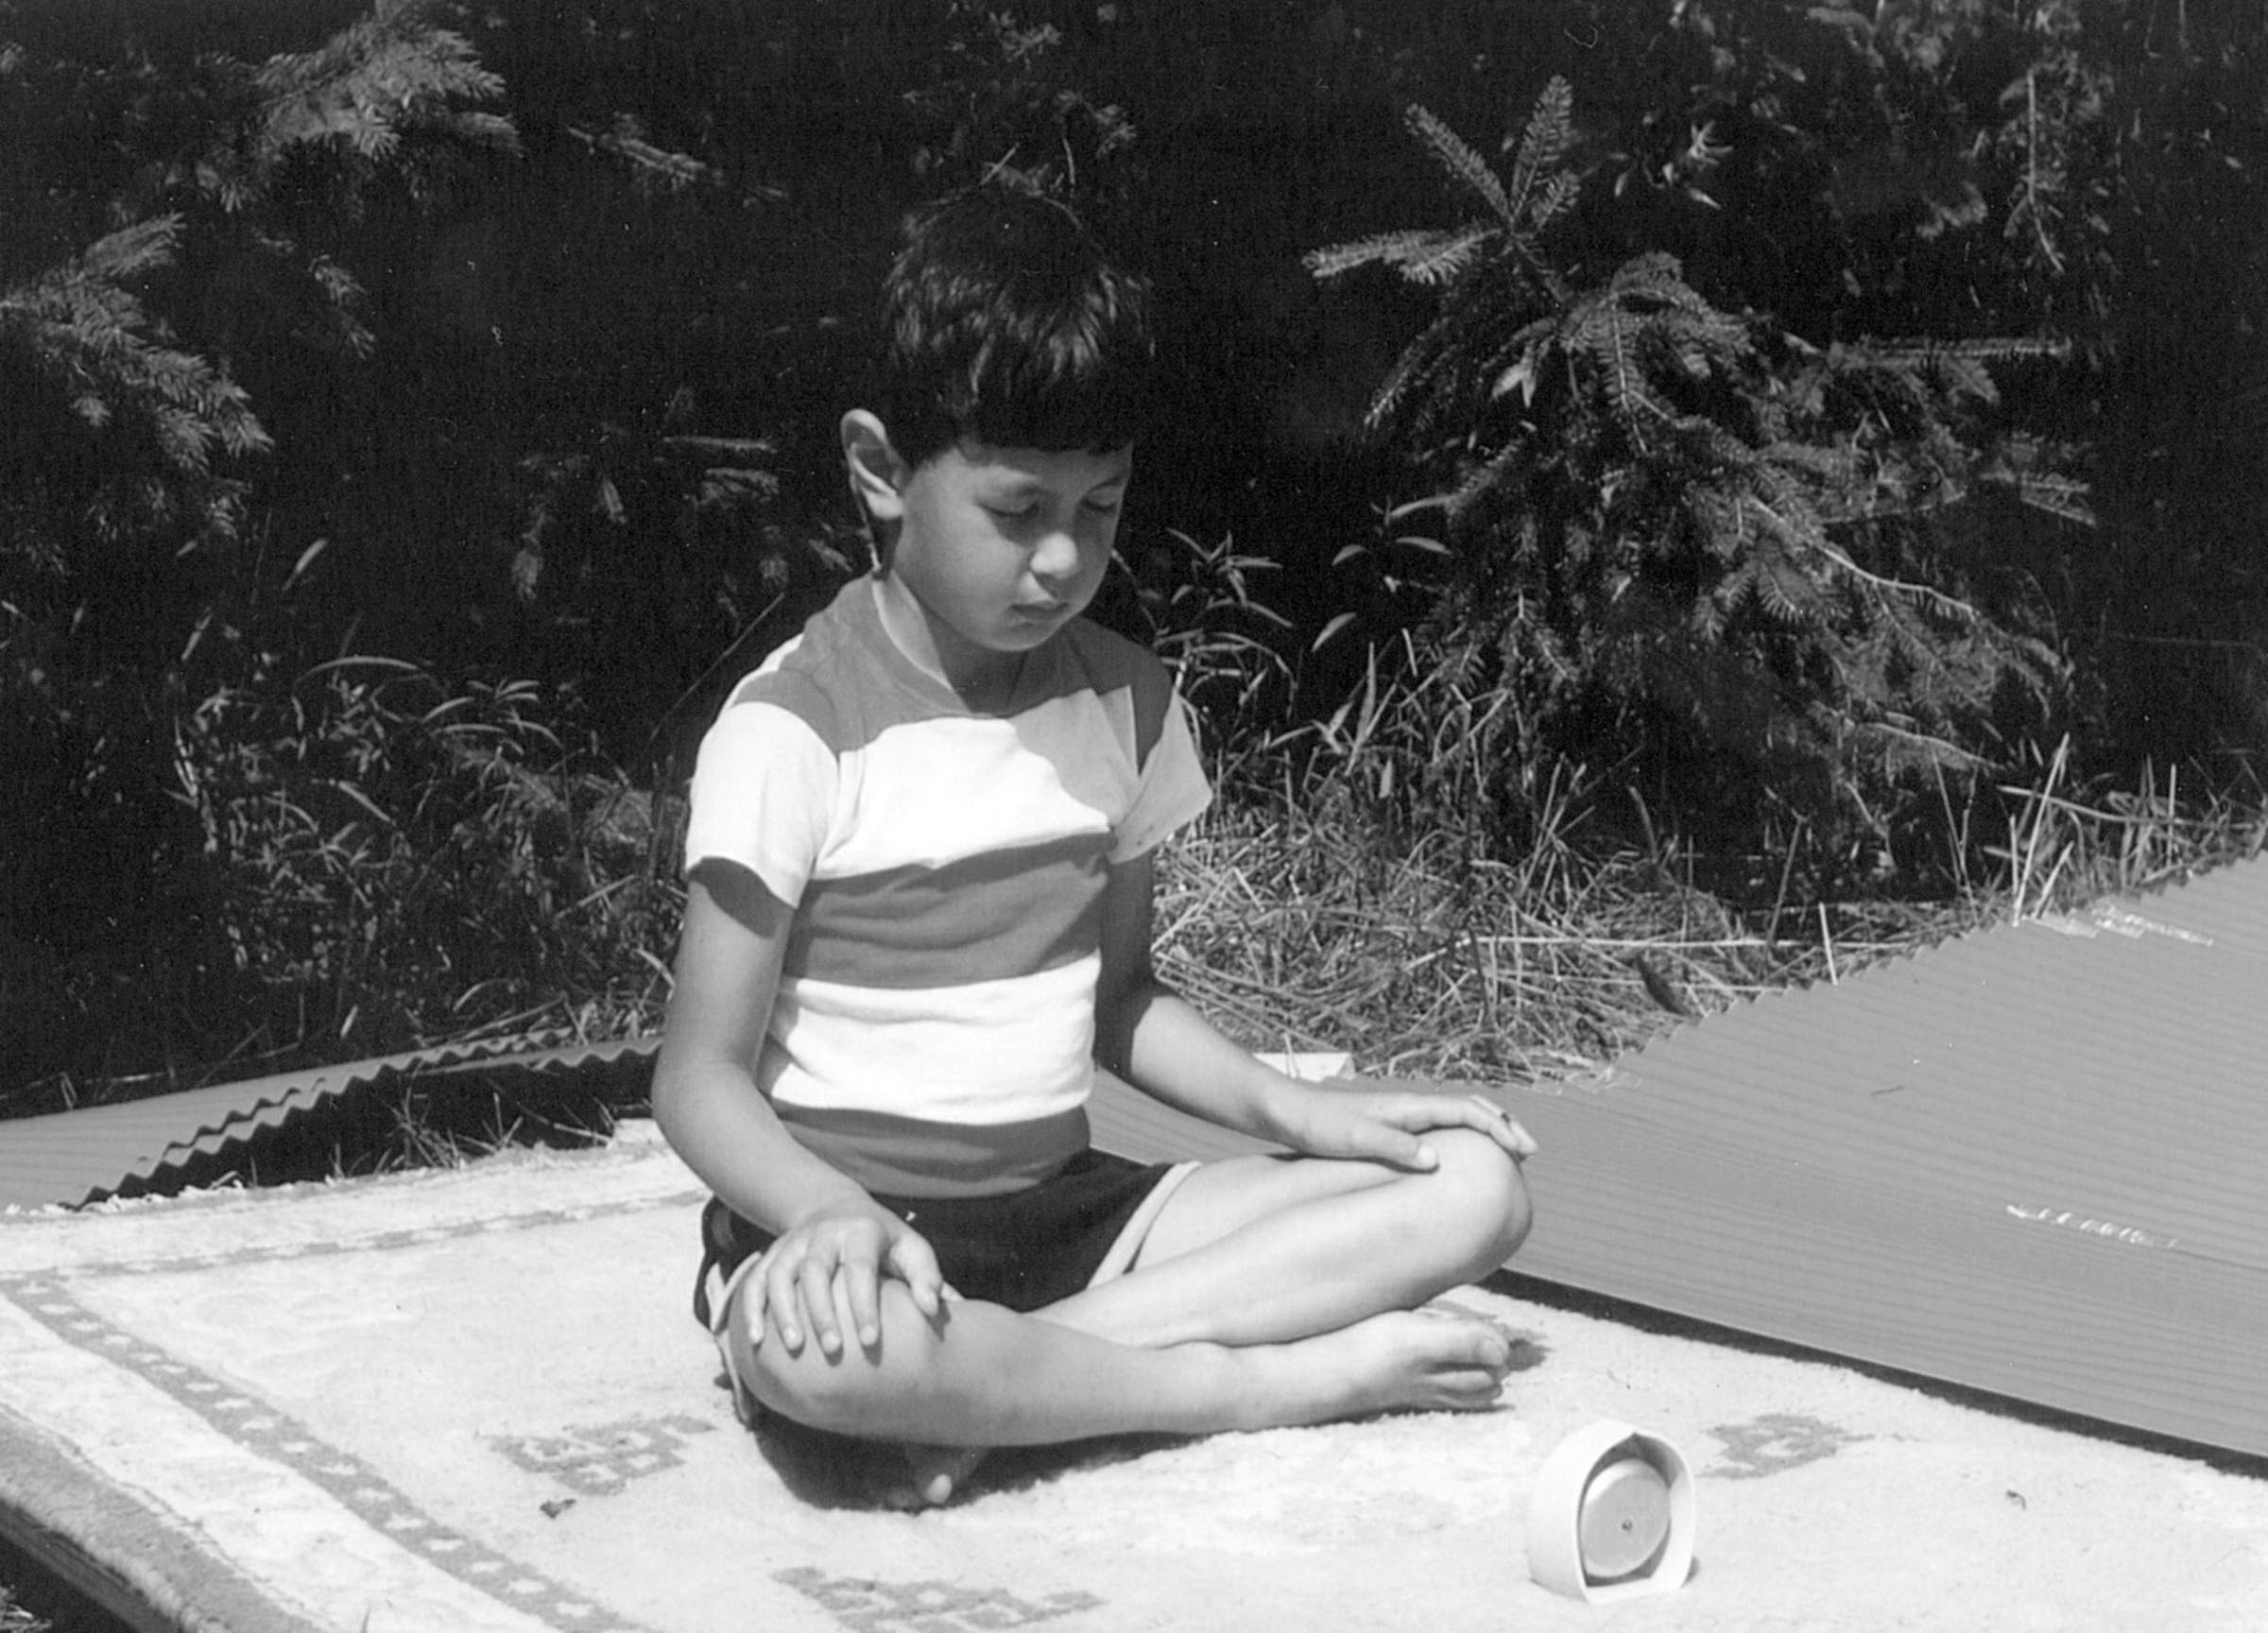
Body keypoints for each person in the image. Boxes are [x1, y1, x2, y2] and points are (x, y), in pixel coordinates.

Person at [652, 183, 1536, 1509]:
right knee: (823, 1360)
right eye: (1018, 511)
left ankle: (1017, 1385)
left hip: (1073, 1222)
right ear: (881, 471)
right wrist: (828, 1214)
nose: (1064, 558)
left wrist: (1301, 1112)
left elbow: (1119, 998)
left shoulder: (1127, 703)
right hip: (850, 1236)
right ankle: (1256, 1386)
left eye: (1102, 506)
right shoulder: (793, 728)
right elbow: (697, 1079)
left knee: (1475, 1187)